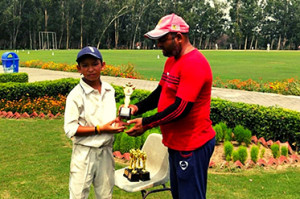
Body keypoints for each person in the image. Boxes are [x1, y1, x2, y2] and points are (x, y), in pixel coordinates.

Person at [125, 13, 216, 199]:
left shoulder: (194, 63)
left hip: (192, 145)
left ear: (179, 37)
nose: (158, 45)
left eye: (162, 40)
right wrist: (137, 107)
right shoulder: (172, 61)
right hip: (177, 144)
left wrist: (147, 123)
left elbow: (181, 108)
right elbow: (161, 92)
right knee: (179, 195)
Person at [64, 46, 126, 199]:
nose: (90, 69)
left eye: (94, 64)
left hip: (105, 151)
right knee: (78, 195)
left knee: (105, 195)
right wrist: (100, 129)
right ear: (79, 68)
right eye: (85, 65)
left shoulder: (109, 90)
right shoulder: (75, 95)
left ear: (102, 65)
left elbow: (107, 119)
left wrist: (117, 121)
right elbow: (70, 128)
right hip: (85, 152)